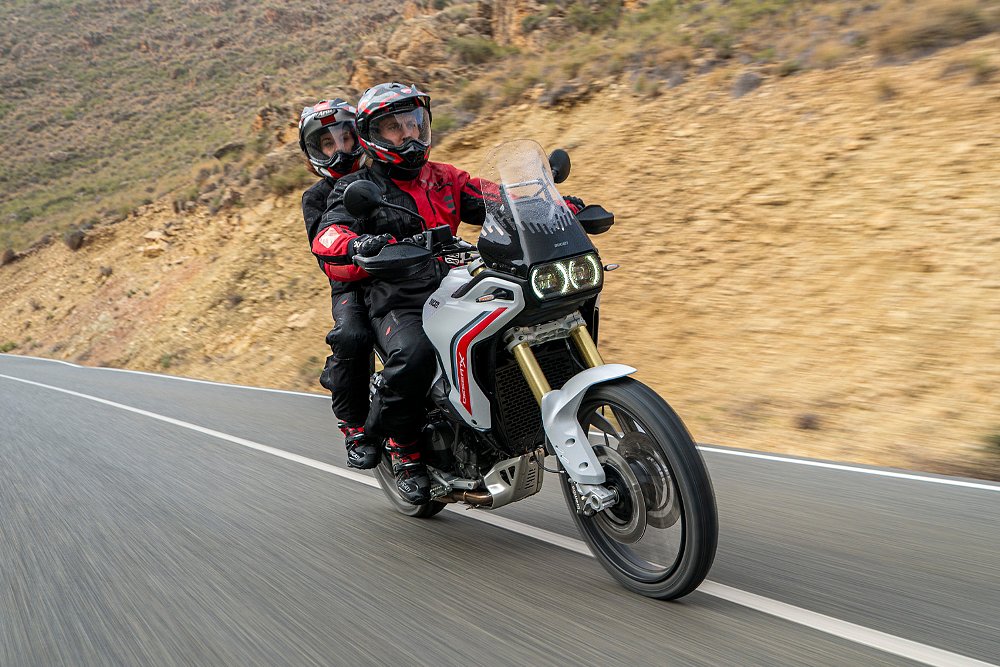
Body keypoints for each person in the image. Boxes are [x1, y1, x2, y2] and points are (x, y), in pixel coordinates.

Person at [312, 83, 586, 503]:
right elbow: (329, 233)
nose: (408, 135)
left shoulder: (444, 177)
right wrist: (355, 244)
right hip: (397, 294)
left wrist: (553, 207)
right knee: (415, 355)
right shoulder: (360, 187)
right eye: (394, 128)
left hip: (454, 281)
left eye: (414, 123)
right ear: (371, 135)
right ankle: (403, 449)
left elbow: (497, 198)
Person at [298, 98, 377, 470]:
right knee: (351, 336)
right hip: (353, 284)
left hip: (414, 268)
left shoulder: (384, 173)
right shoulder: (315, 197)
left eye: (346, 137)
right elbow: (324, 251)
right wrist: (357, 248)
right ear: (315, 152)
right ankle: (354, 426)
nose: (341, 149)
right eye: (328, 144)